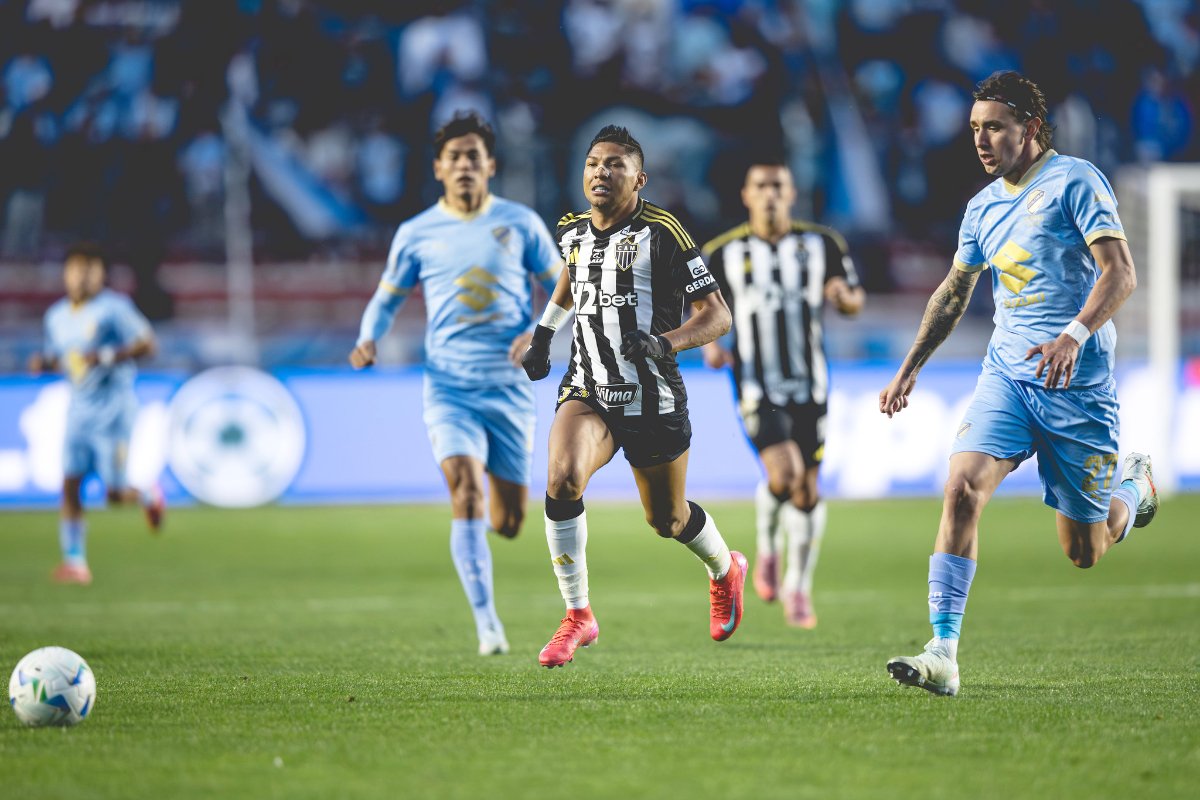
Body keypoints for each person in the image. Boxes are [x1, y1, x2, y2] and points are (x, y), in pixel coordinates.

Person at [878, 71, 1159, 696]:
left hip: (1077, 385)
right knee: (961, 490)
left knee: (1085, 550)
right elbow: (954, 292)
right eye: (974, 129)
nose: (981, 140)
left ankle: (1132, 488)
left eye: (994, 127)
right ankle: (942, 652)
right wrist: (911, 365)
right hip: (1007, 377)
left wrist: (1073, 336)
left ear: (1030, 128)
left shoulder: (1076, 180)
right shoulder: (982, 208)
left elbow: (1120, 273)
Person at [521, 125, 745, 668]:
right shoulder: (572, 231)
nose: (601, 172)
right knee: (561, 478)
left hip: (653, 398)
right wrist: (545, 335)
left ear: (639, 179)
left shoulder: (664, 233)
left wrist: (664, 342)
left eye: (615, 164)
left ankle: (725, 569)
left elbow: (718, 316)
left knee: (667, 521)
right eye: (594, 163)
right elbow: (572, 278)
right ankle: (578, 614)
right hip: (588, 387)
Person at [349, 111, 562, 656]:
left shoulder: (520, 223)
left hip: (510, 389)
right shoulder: (417, 233)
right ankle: (488, 625)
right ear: (438, 169)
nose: (464, 165)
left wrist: (539, 334)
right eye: (454, 157)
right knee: (464, 490)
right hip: (449, 388)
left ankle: (479, 541)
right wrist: (368, 337)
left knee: (508, 522)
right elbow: (387, 297)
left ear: (490, 166)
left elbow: (568, 288)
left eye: (474, 156)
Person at [701, 158, 865, 628]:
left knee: (807, 490)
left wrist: (844, 299)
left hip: (811, 383)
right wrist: (710, 345)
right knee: (785, 473)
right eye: (761, 186)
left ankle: (798, 587)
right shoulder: (721, 252)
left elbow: (855, 298)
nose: (770, 194)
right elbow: (701, 309)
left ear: (791, 194)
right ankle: (768, 546)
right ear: (746, 195)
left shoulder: (823, 244)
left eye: (778, 186)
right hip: (756, 383)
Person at [29, 242, 164, 585]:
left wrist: (105, 356)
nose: (83, 277)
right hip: (78, 411)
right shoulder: (56, 316)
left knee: (114, 495)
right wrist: (43, 363)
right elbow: (62, 358)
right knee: (70, 484)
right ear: (66, 274)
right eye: (77, 270)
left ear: (102, 275)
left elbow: (148, 344)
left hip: (113, 410)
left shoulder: (115, 308)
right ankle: (75, 562)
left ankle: (147, 494)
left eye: (91, 270)